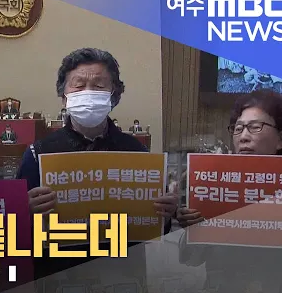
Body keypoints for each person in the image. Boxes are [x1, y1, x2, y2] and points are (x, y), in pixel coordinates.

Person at [16, 47, 178, 278]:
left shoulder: (137, 152)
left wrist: (166, 214)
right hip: (58, 276)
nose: (88, 92)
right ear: (64, 96)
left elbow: (155, 227)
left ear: (114, 95)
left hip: (122, 275)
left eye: (99, 85)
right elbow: (16, 228)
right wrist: (24, 210)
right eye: (79, 85)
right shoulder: (38, 153)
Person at [177, 90, 282, 293]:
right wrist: (194, 226)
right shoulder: (217, 187)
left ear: (281, 139)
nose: (243, 136)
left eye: (255, 127)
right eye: (238, 128)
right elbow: (190, 259)